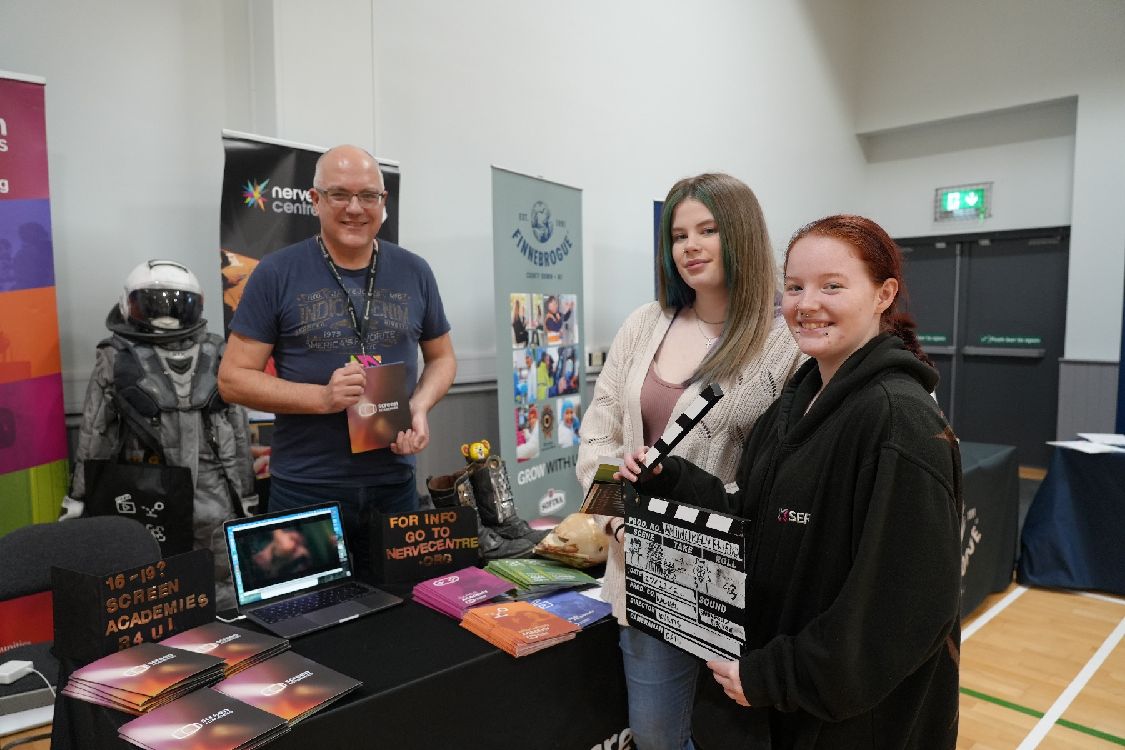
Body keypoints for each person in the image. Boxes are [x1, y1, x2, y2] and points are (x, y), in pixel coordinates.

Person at [617, 214, 962, 748]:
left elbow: (904, 608)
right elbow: (754, 517)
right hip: (788, 710)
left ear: (883, 294)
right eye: (795, 287)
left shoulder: (899, 421)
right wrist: (674, 478)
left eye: (832, 286)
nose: (807, 304)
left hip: (856, 721)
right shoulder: (795, 403)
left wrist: (778, 675)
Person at [577, 173, 802, 750]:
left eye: (708, 230)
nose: (690, 247)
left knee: (742, 734)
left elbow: (784, 471)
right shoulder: (644, 323)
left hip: (741, 574)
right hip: (644, 571)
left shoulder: (784, 341)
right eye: (678, 235)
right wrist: (616, 516)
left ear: (743, 236)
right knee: (656, 735)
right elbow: (600, 431)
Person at [218, 144, 456, 574]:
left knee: (402, 615)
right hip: (305, 489)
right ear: (315, 200)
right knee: (305, 620)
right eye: (339, 195)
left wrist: (418, 408)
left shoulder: (414, 271)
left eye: (368, 196)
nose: (355, 208)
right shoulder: (275, 273)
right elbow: (232, 379)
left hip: (394, 484)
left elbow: (442, 359)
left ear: (383, 202)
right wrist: (322, 398)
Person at [63, 260, 258, 609]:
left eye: (176, 304)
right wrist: (81, 496)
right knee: (150, 578)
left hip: (193, 490)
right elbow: (96, 432)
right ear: (128, 304)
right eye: (154, 303)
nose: (166, 315)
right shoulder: (116, 357)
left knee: (218, 577)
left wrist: (246, 495)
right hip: (150, 488)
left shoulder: (219, 353)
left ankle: (224, 640)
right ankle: (161, 646)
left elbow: (237, 427)